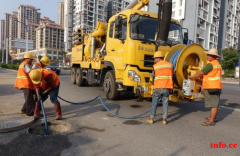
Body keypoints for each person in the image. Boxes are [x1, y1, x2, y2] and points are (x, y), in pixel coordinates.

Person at [188, 48, 222, 126]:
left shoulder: (211, 64)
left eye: (208, 55)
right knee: (214, 103)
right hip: (216, 86)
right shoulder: (217, 64)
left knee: (213, 104)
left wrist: (192, 76)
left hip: (212, 87)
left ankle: (211, 121)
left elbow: (201, 72)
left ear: (213, 56)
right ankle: (213, 117)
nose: (207, 56)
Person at [147, 51, 173, 125]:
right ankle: (164, 119)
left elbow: (153, 76)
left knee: (154, 103)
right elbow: (172, 75)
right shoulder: (170, 65)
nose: (154, 60)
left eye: (155, 59)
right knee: (165, 103)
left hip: (158, 87)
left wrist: (152, 82)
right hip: (167, 87)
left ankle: (151, 118)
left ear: (158, 58)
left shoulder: (155, 66)